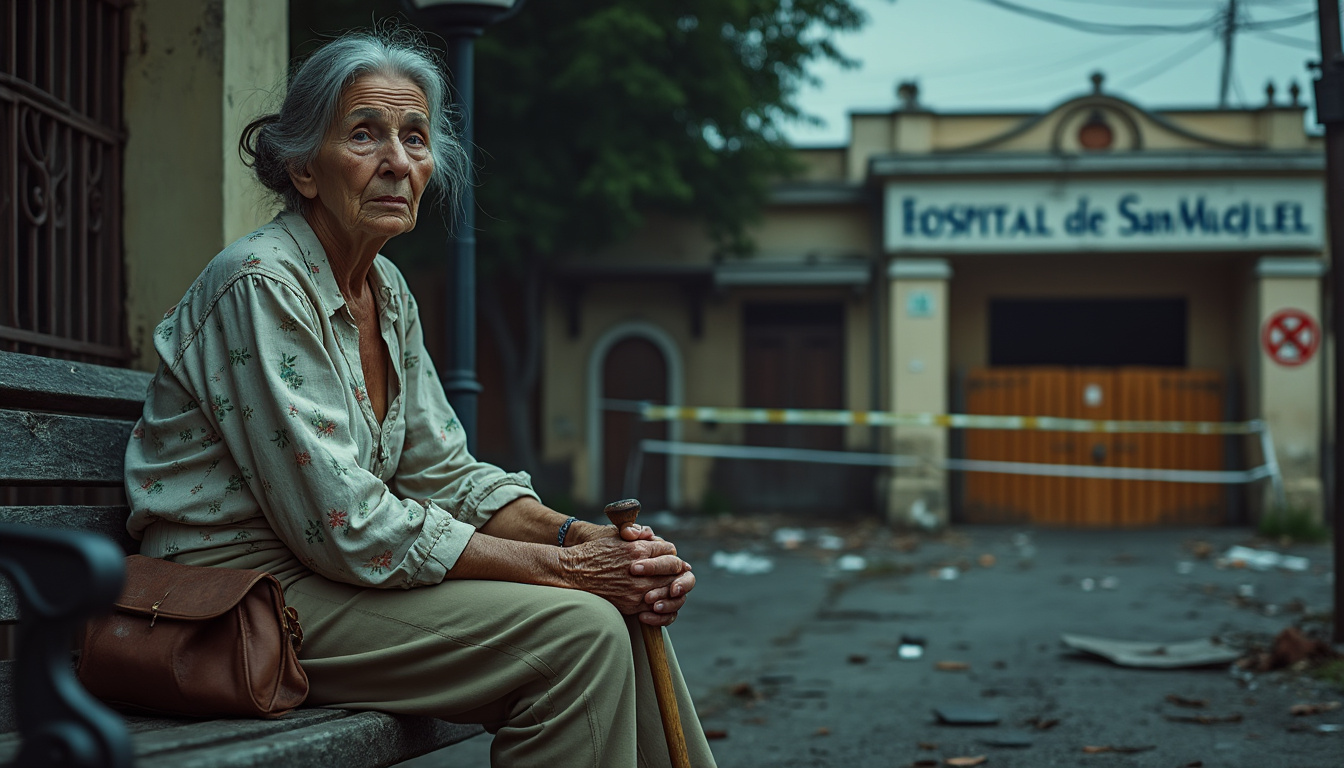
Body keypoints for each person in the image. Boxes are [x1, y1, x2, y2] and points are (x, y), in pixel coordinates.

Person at [123, 27, 716, 768]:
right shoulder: (262, 284)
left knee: (620, 613)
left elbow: (445, 474)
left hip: (319, 584)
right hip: (233, 604)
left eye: (414, 137)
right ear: (304, 168)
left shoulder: (387, 293)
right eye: (365, 136)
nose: (398, 162)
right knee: (579, 633)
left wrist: (581, 540)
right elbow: (346, 528)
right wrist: (566, 573)